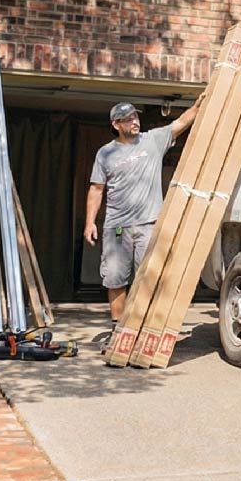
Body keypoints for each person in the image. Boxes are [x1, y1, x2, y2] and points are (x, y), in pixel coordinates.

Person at [84, 98, 202, 329]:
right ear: (116, 125)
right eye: (127, 119)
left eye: (135, 117)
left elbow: (181, 123)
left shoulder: (153, 140)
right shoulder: (105, 153)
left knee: (147, 278)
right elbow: (96, 189)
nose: (134, 122)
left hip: (149, 224)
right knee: (115, 279)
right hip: (117, 227)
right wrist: (90, 222)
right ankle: (119, 329)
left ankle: (142, 327)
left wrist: (199, 106)